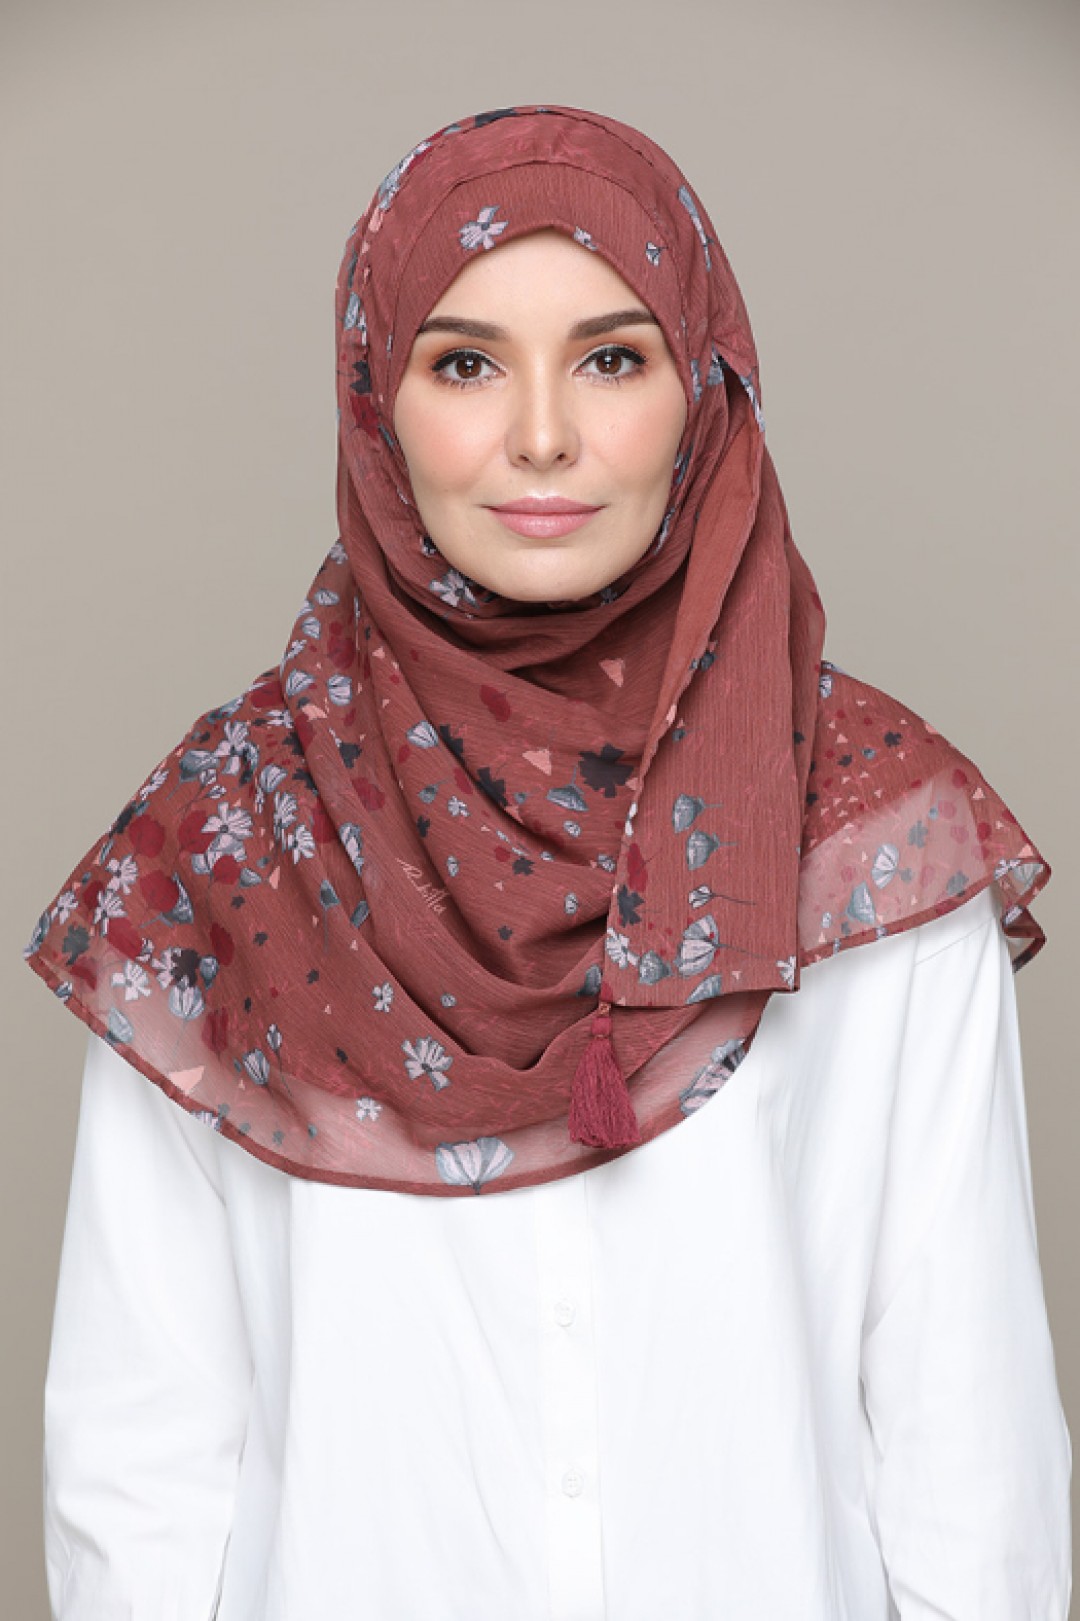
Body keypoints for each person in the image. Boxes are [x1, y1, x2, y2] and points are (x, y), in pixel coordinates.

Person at [24, 104, 1072, 1618]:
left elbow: (964, 1438)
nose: (540, 436)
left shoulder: (868, 830)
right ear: (375, 401)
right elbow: (141, 1455)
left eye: (611, 360)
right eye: (465, 365)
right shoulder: (227, 846)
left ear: (704, 387)